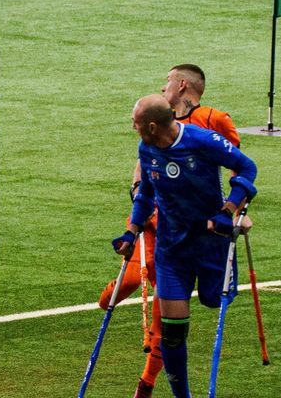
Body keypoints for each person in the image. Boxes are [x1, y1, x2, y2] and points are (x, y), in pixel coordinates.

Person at [99, 64, 246, 397]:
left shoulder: (208, 129)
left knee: (213, 300)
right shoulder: (147, 144)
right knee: (168, 324)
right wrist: (133, 227)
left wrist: (232, 211)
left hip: (209, 237)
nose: (164, 86)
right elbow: (144, 187)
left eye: (167, 82)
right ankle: (163, 389)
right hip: (167, 239)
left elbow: (242, 167)